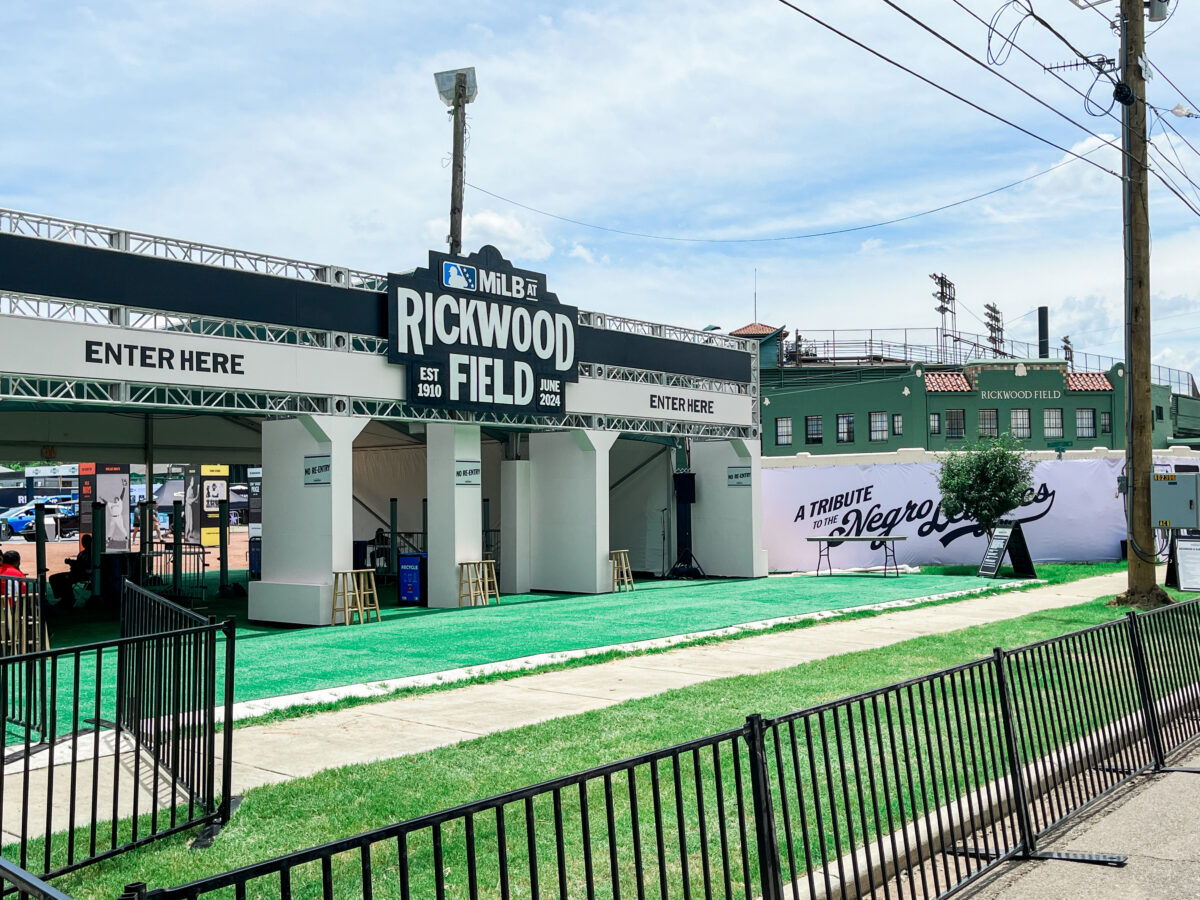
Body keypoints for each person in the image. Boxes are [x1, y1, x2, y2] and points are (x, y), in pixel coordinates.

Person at [49, 534, 93, 614]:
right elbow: (78, 564)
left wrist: (73, 563)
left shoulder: (92, 554)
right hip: (75, 573)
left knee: (65, 580)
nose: (83, 543)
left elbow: (86, 566)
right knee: (53, 578)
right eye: (83, 541)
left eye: (86, 541)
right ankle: (64, 598)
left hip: (83, 575)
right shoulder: (81, 553)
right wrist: (72, 563)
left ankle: (69, 599)